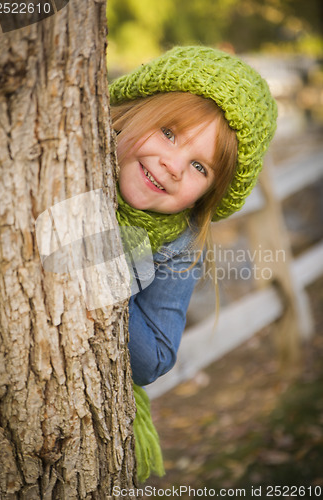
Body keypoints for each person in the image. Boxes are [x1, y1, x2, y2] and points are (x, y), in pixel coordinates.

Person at [109, 45, 277, 481]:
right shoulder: (63, 162)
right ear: (137, 108)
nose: (173, 166)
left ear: (208, 194)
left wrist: (100, 272)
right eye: (168, 132)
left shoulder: (181, 239)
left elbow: (155, 359)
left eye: (200, 166)